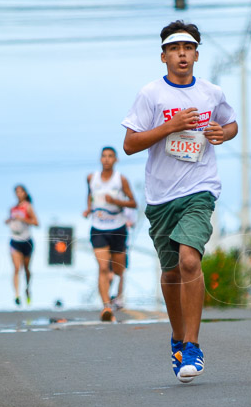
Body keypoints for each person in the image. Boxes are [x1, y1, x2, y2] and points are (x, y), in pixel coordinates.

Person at [122, 20, 237, 383]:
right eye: (175, 49)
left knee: (190, 261)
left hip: (200, 189)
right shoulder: (151, 95)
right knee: (171, 271)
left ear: (197, 55)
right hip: (161, 196)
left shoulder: (211, 93)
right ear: (163, 56)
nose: (182, 54)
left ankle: (192, 345)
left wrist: (222, 133)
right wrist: (169, 127)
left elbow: (230, 124)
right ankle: (176, 336)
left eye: (188, 48)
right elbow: (130, 144)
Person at [83, 147, 136, 321]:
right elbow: (90, 195)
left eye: (110, 156)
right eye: (104, 156)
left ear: (116, 160)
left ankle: (115, 296)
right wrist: (89, 209)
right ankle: (106, 306)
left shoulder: (120, 180)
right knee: (103, 267)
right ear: (100, 159)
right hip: (98, 228)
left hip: (118, 228)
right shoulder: (92, 178)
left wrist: (115, 201)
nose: (106, 159)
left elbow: (133, 203)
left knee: (119, 270)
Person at [7, 184, 39, 306]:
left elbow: (36, 222)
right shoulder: (13, 208)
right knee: (16, 268)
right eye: (17, 192)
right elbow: (10, 220)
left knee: (26, 269)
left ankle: (27, 289)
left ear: (25, 193)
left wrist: (23, 219)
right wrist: (9, 220)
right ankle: (17, 295)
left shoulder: (28, 207)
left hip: (26, 241)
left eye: (20, 192)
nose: (18, 194)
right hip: (14, 240)